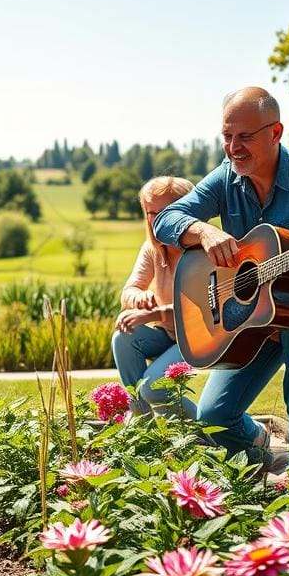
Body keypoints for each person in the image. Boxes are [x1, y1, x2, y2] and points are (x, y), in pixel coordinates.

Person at [153, 88, 289, 462]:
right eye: (227, 135)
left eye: (245, 136)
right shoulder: (225, 177)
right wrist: (203, 231)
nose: (234, 147)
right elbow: (166, 221)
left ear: (276, 133)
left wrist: (272, 307)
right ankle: (263, 459)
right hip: (247, 321)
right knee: (213, 417)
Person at [112, 176, 196, 417]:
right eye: (150, 212)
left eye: (167, 211)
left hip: (200, 340)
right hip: (169, 334)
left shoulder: (201, 250)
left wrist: (156, 313)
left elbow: (198, 308)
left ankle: (209, 438)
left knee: (154, 388)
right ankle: (143, 423)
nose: (158, 219)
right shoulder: (152, 249)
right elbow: (129, 290)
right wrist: (139, 298)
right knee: (123, 337)